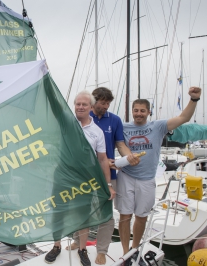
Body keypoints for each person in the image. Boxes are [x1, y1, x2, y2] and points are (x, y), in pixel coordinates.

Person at [117, 86, 202, 265]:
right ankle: (125, 253)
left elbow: (184, 117)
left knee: (141, 216)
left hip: (147, 179)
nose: (138, 114)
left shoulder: (158, 126)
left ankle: (134, 249)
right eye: (135, 110)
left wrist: (194, 100)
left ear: (148, 112)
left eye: (142, 111)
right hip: (126, 176)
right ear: (132, 111)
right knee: (125, 216)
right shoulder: (122, 126)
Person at [65, 87, 140, 265]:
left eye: (108, 103)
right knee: (80, 209)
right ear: (94, 102)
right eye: (103, 102)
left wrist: (127, 157)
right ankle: (78, 240)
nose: (106, 106)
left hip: (107, 172)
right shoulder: (76, 120)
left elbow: (120, 144)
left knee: (105, 213)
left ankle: (102, 250)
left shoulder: (114, 120)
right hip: (81, 176)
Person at [45, 91, 115, 266]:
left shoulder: (97, 132)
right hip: (63, 174)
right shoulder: (67, 122)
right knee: (59, 210)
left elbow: (102, 159)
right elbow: (55, 106)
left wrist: (108, 185)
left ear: (91, 108)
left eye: (84, 104)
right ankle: (56, 245)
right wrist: (46, 81)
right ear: (74, 106)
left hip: (84, 179)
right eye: (78, 104)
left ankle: (82, 249)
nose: (81, 107)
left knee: (83, 215)